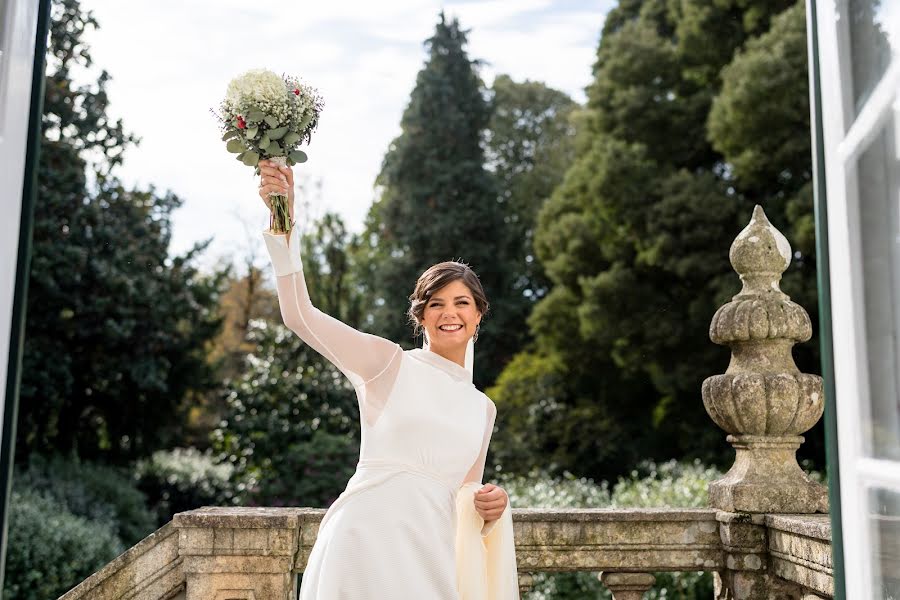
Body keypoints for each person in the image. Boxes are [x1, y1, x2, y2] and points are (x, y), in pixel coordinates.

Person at [256, 159, 513, 599]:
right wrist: (283, 222)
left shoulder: (483, 409)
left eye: (462, 303)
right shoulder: (387, 363)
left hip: (432, 557)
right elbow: (299, 315)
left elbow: (465, 496)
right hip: (363, 544)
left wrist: (493, 506)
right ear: (421, 316)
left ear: (478, 314)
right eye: (436, 304)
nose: (449, 313)